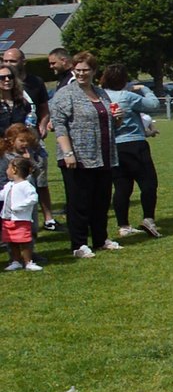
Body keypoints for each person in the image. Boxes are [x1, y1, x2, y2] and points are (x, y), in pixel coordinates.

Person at [51, 51, 121, 258]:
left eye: (85, 70)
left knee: (101, 201)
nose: (81, 74)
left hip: (104, 155)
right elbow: (60, 125)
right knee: (79, 202)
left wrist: (117, 118)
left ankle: (100, 239)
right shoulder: (66, 94)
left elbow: (110, 124)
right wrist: (67, 152)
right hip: (78, 158)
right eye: (77, 70)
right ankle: (79, 244)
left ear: (94, 71)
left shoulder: (101, 93)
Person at [100, 64, 162, 238]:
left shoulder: (101, 96)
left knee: (122, 187)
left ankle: (123, 225)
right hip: (134, 144)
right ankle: (148, 218)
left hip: (114, 147)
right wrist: (144, 88)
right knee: (148, 183)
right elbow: (153, 104)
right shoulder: (126, 96)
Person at [2, 49, 56, 230]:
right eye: (2, 77)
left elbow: (42, 109)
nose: (6, 79)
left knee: (32, 183)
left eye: (9, 77)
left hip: (24, 147)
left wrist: (41, 125)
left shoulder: (24, 98)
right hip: (3, 152)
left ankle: (38, 227)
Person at [1, 156, 41, 271]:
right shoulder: (9, 185)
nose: (6, 171)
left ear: (14, 170)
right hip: (8, 219)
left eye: (8, 168)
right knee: (11, 241)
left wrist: (20, 206)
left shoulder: (26, 185)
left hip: (21, 219)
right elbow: (3, 195)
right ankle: (16, 261)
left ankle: (28, 262)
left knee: (24, 241)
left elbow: (33, 198)